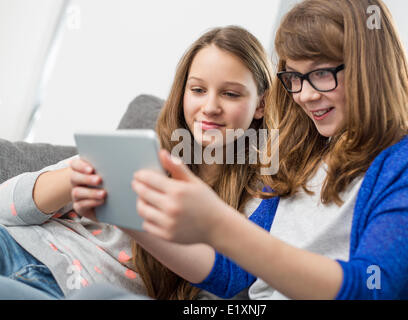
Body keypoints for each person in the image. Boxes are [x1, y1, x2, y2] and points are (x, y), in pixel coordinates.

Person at [111, 0, 408, 300]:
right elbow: (230, 275)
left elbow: (370, 286)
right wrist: (128, 218)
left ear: (369, 68)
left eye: (320, 74)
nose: (304, 95)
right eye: (295, 78)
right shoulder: (299, 156)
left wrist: (219, 224)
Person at [0, 25, 272, 299]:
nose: (210, 106)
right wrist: (74, 179)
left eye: (231, 94)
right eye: (198, 89)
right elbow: (5, 206)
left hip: (68, 287)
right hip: (15, 245)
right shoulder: (141, 150)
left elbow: (226, 287)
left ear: (260, 105)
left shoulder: (257, 202)